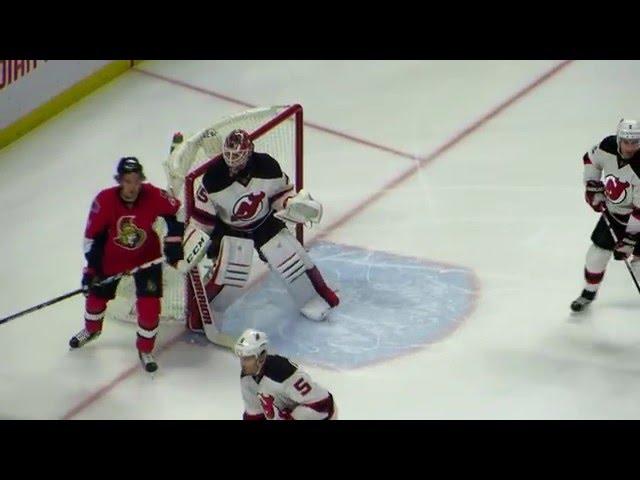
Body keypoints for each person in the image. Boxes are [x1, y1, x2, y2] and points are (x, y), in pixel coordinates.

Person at [180, 129, 339, 323]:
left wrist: (290, 203)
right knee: (229, 274)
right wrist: (195, 238)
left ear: (249, 152)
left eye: (237, 156)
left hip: (265, 222)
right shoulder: (213, 178)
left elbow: (280, 194)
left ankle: (318, 295)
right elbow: (203, 218)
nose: (232, 161)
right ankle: (202, 313)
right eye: (228, 155)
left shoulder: (267, 165)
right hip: (232, 230)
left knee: (290, 255)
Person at [69, 157, 184, 372]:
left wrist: (173, 243)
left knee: (150, 308)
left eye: (136, 180)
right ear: (119, 180)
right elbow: (91, 239)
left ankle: (145, 348)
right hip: (111, 259)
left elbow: (175, 213)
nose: (132, 187)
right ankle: (92, 329)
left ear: (141, 180)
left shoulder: (153, 195)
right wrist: (92, 271)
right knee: (95, 299)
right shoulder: (104, 201)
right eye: (127, 181)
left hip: (146, 258)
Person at [571, 119, 640, 312]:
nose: (630, 147)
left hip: (637, 219)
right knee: (596, 256)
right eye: (627, 141)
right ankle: (588, 293)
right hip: (614, 215)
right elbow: (590, 160)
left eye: (635, 142)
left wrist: (629, 241)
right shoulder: (607, 146)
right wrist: (592, 185)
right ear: (619, 138)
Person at [234, 329, 337, 420]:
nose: (242, 364)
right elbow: (254, 415)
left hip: (322, 413)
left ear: (261, 356)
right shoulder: (246, 378)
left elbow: (322, 404)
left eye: (247, 359)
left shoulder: (283, 371)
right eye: (242, 358)